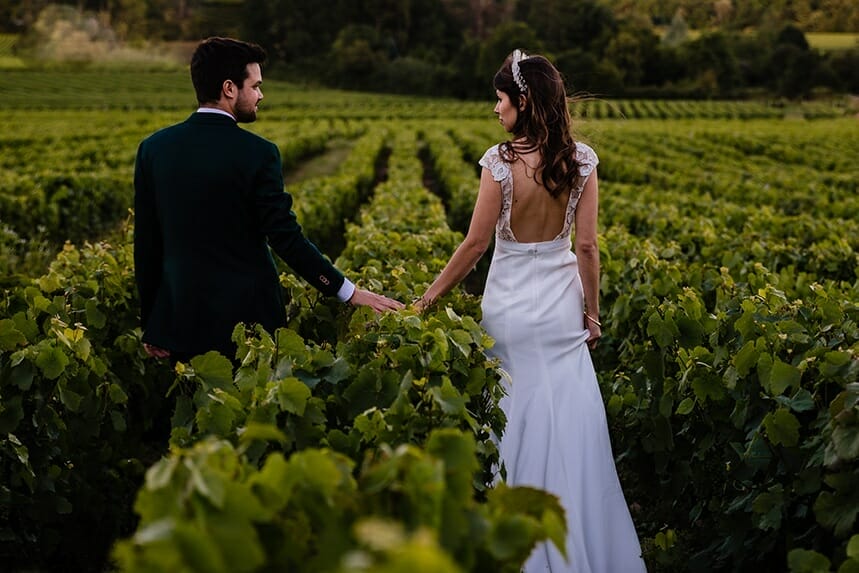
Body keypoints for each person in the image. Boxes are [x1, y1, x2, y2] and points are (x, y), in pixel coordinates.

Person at [415, 50, 645, 572]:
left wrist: (429, 299)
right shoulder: (580, 160)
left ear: (522, 102)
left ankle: (513, 536)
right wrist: (593, 313)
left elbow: (475, 245)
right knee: (570, 417)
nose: (495, 109)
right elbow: (587, 247)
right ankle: (577, 535)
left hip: (510, 308)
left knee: (513, 415)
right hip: (561, 306)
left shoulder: (499, 163)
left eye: (499, 99)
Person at [134, 37, 403, 362]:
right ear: (230, 88)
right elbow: (285, 238)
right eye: (256, 86)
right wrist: (347, 292)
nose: (261, 95)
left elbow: (147, 244)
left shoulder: (154, 149)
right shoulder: (258, 154)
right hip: (249, 327)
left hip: (180, 323)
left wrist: (152, 322)